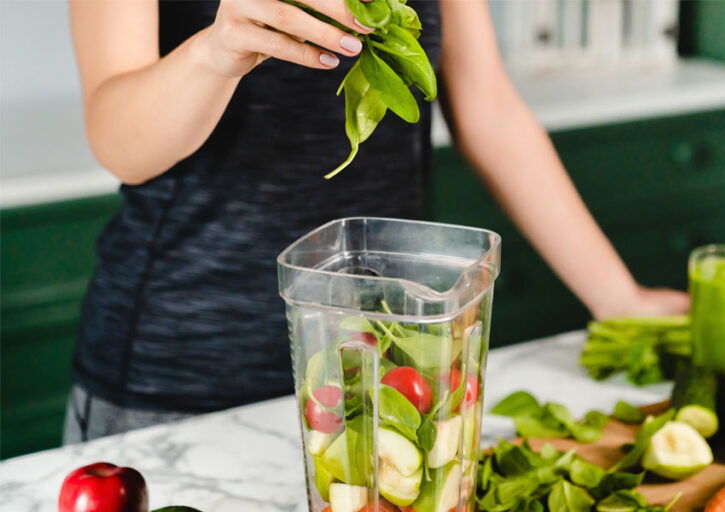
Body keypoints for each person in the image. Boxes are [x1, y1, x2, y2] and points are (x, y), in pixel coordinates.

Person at [64, 0, 689, 442]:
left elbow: (489, 109)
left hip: (377, 371)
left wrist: (619, 297)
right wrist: (217, 52)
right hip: (181, 383)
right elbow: (117, 140)